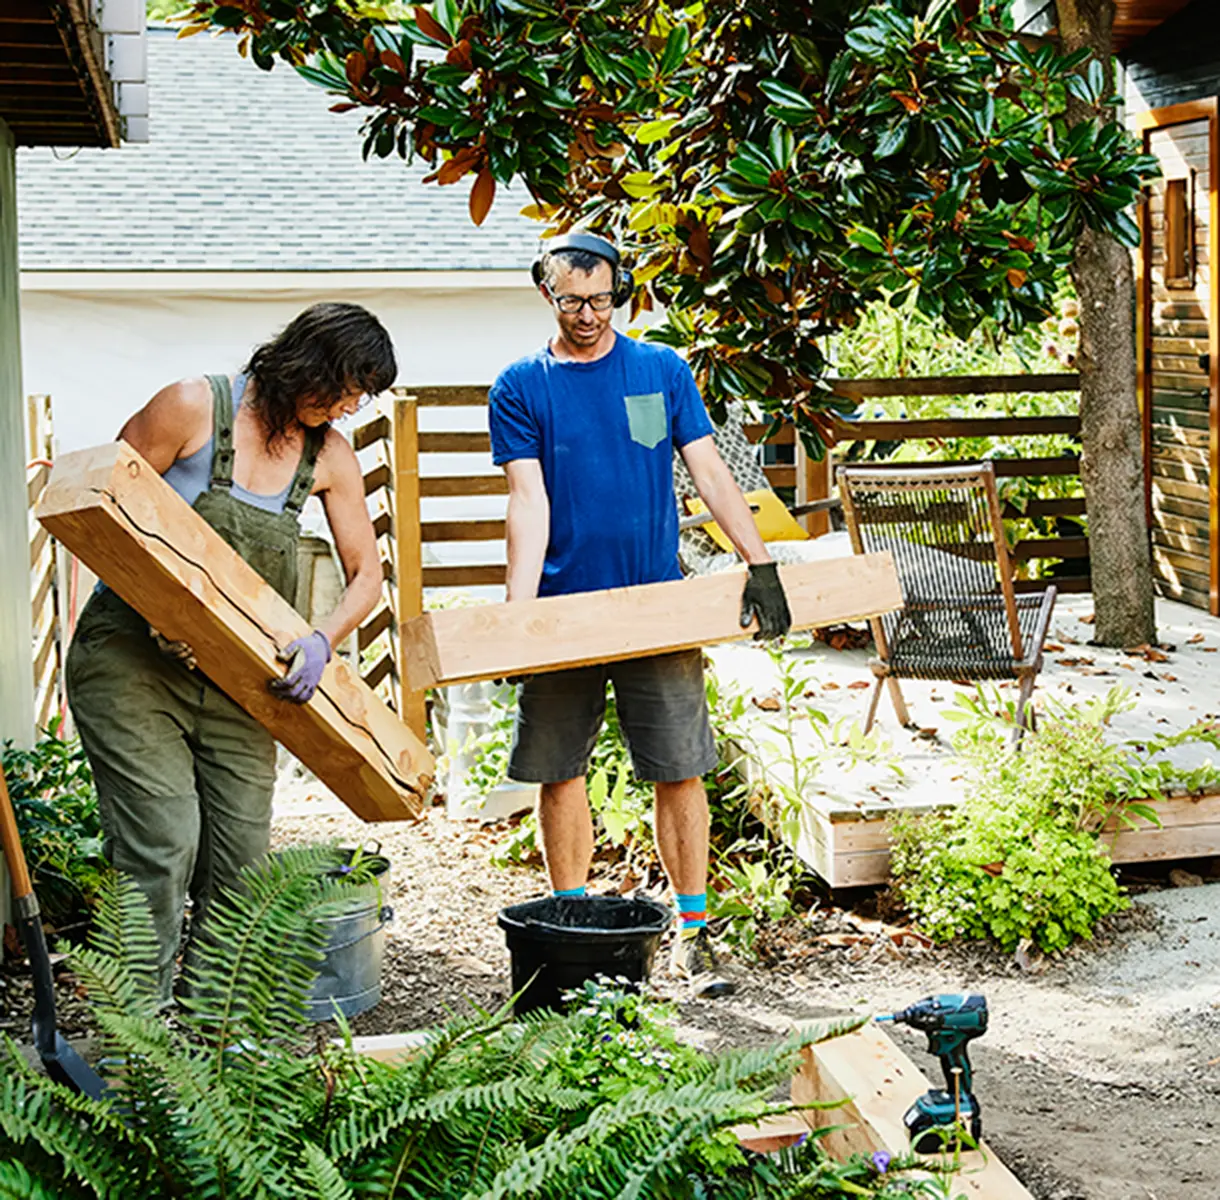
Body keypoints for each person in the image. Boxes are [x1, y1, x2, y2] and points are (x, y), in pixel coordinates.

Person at [489, 232, 791, 997]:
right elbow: (528, 500)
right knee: (560, 770)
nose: (587, 314)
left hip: (659, 603)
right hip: (566, 612)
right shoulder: (522, 385)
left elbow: (710, 471)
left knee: (679, 766)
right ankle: (570, 927)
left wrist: (759, 561)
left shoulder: (660, 370)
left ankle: (693, 933)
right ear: (545, 294)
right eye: (570, 300)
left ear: (619, 294)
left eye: (600, 300)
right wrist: (518, 617)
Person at [66, 302, 393, 1002]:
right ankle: (139, 1047)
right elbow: (102, 508)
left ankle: (219, 1050)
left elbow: (368, 573)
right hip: (131, 665)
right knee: (162, 844)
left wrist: (321, 639)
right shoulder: (190, 406)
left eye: (359, 395)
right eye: (341, 387)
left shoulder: (327, 453)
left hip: (242, 683)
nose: (347, 405)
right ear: (303, 363)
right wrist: (162, 611)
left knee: (242, 866)